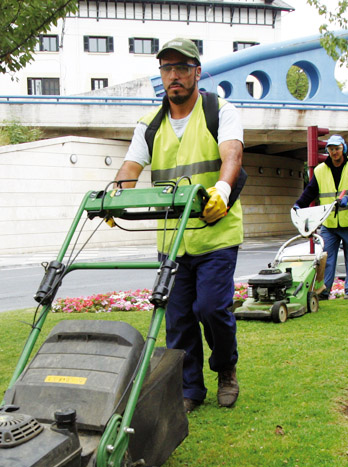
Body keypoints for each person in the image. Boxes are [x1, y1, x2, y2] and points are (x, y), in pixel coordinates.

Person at [112, 38, 245, 413]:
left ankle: (226, 368)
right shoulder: (150, 125)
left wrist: (221, 187)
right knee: (177, 318)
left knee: (211, 309)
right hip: (173, 241)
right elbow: (130, 168)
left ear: (197, 73)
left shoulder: (220, 110)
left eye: (182, 68)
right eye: (167, 68)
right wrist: (114, 196)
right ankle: (190, 389)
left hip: (215, 233)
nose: (174, 76)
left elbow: (231, 153)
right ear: (161, 76)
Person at [292, 135, 348, 299]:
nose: (334, 152)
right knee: (326, 259)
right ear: (328, 151)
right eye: (331, 149)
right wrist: (298, 204)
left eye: (337, 148)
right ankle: (324, 291)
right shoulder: (320, 170)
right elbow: (310, 191)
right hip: (329, 223)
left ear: (343, 149)